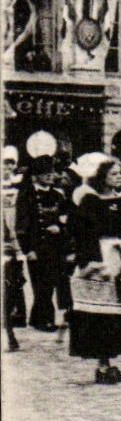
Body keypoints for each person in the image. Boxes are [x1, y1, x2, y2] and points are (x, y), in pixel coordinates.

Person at [66, 154, 121, 384]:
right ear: (102, 176)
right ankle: (102, 364)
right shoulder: (90, 200)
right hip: (98, 258)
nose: (118, 177)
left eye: (120, 173)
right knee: (99, 314)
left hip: (120, 260)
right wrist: (89, 261)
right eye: (113, 173)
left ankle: (110, 360)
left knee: (120, 311)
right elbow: (81, 231)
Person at [19, 131, 71, 334]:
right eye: (45, 174)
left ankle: (43, 317)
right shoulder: (28, 196)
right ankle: (42, 319)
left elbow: (66, 218)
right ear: (36, 176)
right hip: (38, 245)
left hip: (56, 245)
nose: (50, 177)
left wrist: (61, 228)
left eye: (51, 174)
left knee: (54, 281)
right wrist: (27, 249)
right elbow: (22, 224)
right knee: (41, 284)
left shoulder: (58, 195)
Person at [3, 146, 24, 350]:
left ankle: (9, 332)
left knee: (11, 285)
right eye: (4, 163)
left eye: (10, 164)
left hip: (11, 241)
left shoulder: (18, 186)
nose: (7, 167)